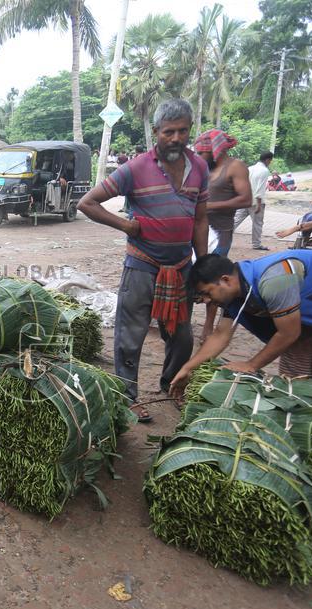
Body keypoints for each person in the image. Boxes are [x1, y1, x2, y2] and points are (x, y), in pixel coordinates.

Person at [170, 251, 312, 461]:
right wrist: (188, 368)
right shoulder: (236, 294)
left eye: (206, 293)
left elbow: (289, 332)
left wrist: (252, 364)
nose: (207, 301)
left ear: (226, 280)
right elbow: (221, 335)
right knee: (297, 372)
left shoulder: (275, 278)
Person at [78, 99, 210, 422]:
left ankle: (171, 385)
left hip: (181, 268)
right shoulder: (136, 168)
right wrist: (125, 225)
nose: (176, 138)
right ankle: (127, 395)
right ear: (156, 132)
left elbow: (200, 220)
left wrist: (203, 265)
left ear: (190, 130)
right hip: (141, 264)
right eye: (169, 132)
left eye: (182, 131)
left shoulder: (200, 169)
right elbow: (87, 203)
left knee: (182, 336)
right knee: (130, 334)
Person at [192, 129, 252, 256]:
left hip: (220, 231)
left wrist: (208, 206)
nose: (199, 156)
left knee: (211, 270)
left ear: (214, 149)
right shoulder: (206, 168)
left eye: (201, 153)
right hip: (199, 229)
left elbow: (246, 199)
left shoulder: (235, 166)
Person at [233, 151, 274, 250]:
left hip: (244, 199)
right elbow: (260, 189)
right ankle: (256, 244)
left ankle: (220, 237)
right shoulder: (264, 171)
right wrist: (259, 204)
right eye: (270, 161)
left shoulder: (250, 168)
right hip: (256, 202)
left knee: (235, 220)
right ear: (268, 160)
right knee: (257, 223)